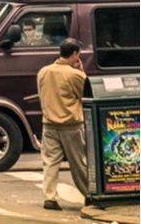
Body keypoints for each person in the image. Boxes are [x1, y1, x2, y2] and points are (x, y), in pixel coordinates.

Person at [37, 40, 91, 212]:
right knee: (78, 162)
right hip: (71, 124)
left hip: (49, 124)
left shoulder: (43, 72)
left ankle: (50, 197)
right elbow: (87, 93)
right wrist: (82, 71)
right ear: (74, 54)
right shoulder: (74, 75)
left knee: (50, 162)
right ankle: (88, 194)